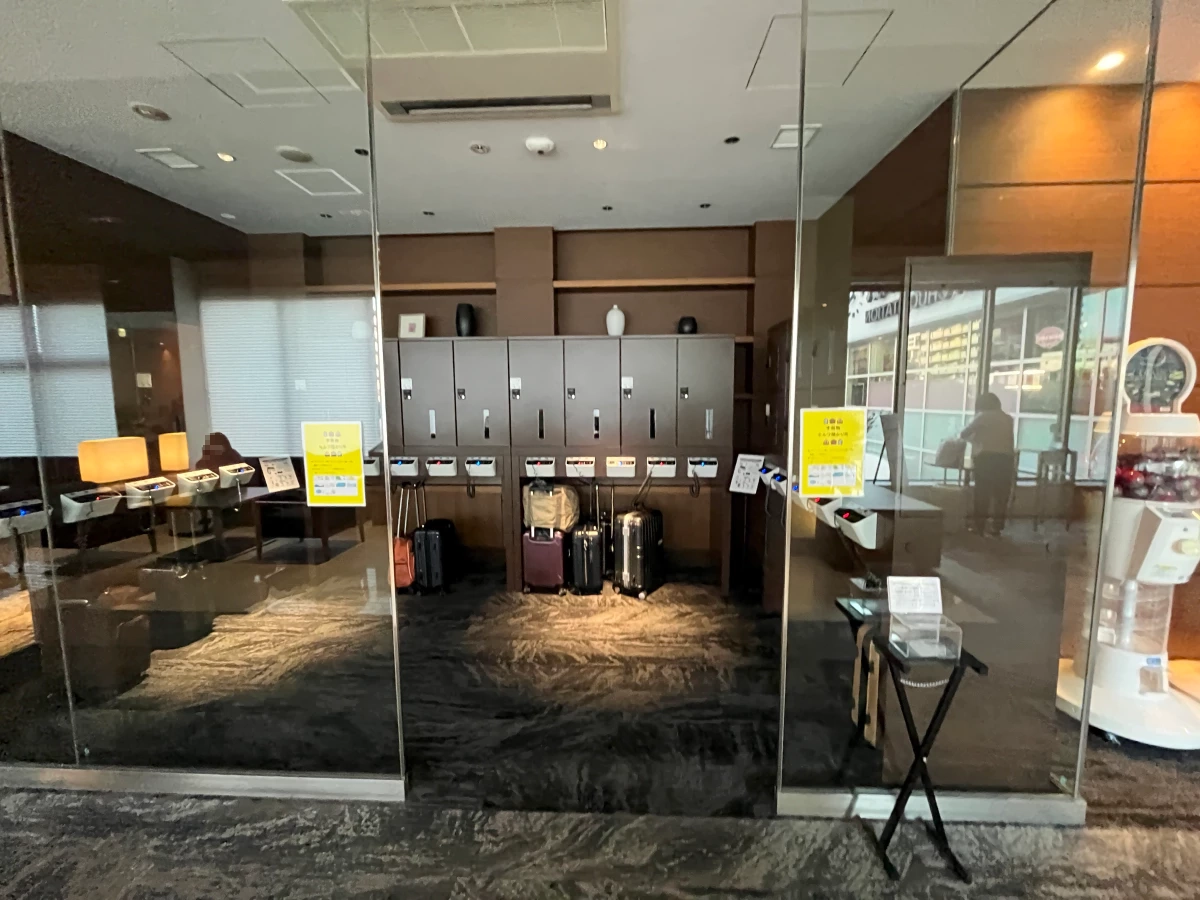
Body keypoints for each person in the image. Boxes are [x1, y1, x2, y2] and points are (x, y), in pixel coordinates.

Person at [961, 392, 1015, 535]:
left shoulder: (982, 417)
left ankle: (979, 526)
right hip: (1006, 459)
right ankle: (997, 527)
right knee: (1001, 495)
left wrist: (975, 440)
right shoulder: (1008, 418)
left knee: (982, 493)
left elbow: (964, 433)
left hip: (986, 458)